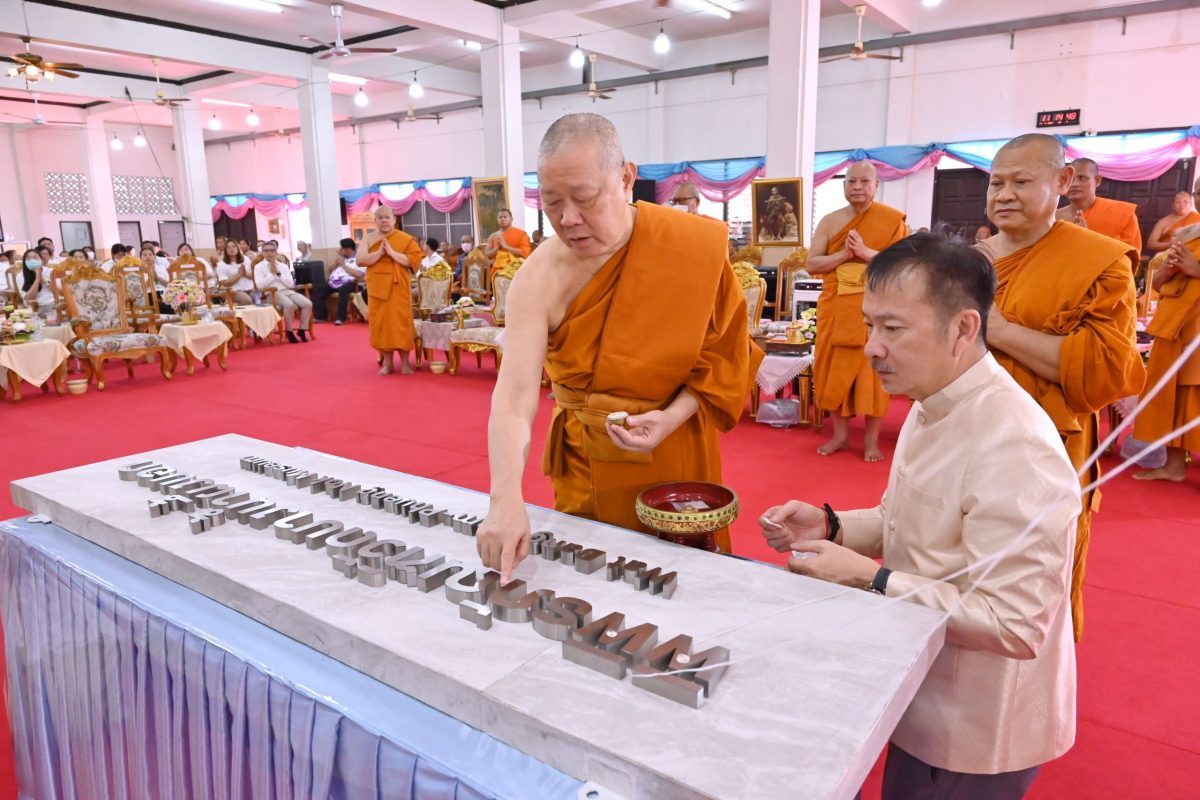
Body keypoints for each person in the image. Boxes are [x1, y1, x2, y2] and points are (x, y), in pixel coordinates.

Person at [761, 232, 1079, 800]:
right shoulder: (934, 397)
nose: (871, 349)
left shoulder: (1015, 445)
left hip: (975, 721)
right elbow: (902, 517)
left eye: (893, 329)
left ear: (962, 328)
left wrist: (868, 578)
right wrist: (833, 528)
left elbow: (1014, 623)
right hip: (919, 680)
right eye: (868, 326)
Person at [476, 112, 762, 583]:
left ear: (627, 177)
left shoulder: (691, 247)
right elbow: (514, 396)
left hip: (677, 446)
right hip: (589, 458)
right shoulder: (538, 279)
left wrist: (670, 417)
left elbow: (726, 358)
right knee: (593, 589)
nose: (568, 219)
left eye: (584, 198)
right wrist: (504, 498)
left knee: (687, 585)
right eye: (551, 204)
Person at [975, 134, 1145, 640]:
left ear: (1062, 182)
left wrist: (1001, 331)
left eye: (1021, 182)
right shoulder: (972, 260)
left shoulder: (1100, 260)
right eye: (996, 183)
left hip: (1046, 444)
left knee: (1034, 575)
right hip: (965, 432)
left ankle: (1036, 692)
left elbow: (1106, 372)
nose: (1004, 195)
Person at [807, 161, 909, 461]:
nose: (858, 187)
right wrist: (843, 254)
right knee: (835, 370)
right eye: (851, 182)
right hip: (837, 307)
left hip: (876, 309)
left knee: (873, 374)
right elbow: (812, 264)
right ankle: (839, 435)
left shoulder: (890, 220)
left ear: (876, 185)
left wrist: (865, 254)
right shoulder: (829, 221)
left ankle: (871, 441)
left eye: (865, 182)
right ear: (843, 186)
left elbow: (904, 266)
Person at [1132, 199, 1200, 482]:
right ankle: (1174, 467)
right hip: (1176, 324)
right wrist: (1169, 272)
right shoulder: (1190, 234)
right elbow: (1159, 284)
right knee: (1178, 394)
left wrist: (1196, 269)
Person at [358, 205, 423, 375]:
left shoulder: (405, 239)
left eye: (387, 217)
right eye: (380, 218)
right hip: (377, 288)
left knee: (401, 323)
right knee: (382, 325)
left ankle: (405, 363)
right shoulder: (368, 239)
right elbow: (360, 260)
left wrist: (392, 253)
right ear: (375, 221)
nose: (384, 220)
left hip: (398, 287)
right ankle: (387, 363)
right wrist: (379, 253)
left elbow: (414, 261)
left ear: (394, 220)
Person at [1055, 158, 1143, 254]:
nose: (1074, 184)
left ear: (1097, 180)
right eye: (1070, 179)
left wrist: (1090, 240)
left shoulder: (1123, 214)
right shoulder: (1054, 217)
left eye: (1082, 178)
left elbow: (1129, 256)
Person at [254, 241, 312, 343]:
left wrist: (279, 274)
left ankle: (302, 330)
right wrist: (271, 274)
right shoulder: (258, 267)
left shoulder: (282, 266)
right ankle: (289, 331)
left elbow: (291, 284)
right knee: (289, 305)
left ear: (276, 252)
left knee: (307, 304)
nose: (269, 253)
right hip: (271, 293)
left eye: (272, 250)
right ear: (262, 252)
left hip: (287, 291)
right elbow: (260, 286)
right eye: (266, 251)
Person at [314, 238, 365, 325]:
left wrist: (343, 265)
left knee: (343, 289)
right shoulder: (342, 258)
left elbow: (360, 275)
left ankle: (341, 318)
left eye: (342, 248)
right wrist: (337, 260)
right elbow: (330, 270)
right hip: (334, 282)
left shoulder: (359, 258)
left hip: (350, 283)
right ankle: (321, 316)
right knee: (318, 288)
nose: (341, 250)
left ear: (349, 249)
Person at [485, 208, 531, 279]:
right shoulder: (493, 236)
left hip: (516, 270)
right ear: (497, 220)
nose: (502, 219)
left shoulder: (520, 234)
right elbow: (487, 255)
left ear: (511, 219)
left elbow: (525, 253)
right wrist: (497, 248)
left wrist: (506, 247)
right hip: (497, 271)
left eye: (505, 217)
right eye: (500, 217)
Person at [215, 239, 255, 305]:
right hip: (234, 291)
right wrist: (238, 275)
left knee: (259, 301)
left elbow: (253, 276)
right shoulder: (221, 264)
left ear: (238, 248)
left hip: (250, 289)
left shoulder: (246, 259)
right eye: (228, 247)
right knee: (247, 300)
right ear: (225, 250)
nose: (231, 249)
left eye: (234, 246)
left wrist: (245, 274)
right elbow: (223, 283)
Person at [22, 249, 56, 320]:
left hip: (56, 302)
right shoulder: (20, 276)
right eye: (28, 258)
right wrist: (37, 278)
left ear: (41, 259)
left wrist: (43, 280)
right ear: (24, 262)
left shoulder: (51, 271)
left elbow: (58, 292)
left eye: (35, 257)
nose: (32, 260)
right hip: (40, 306)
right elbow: (29, 298)